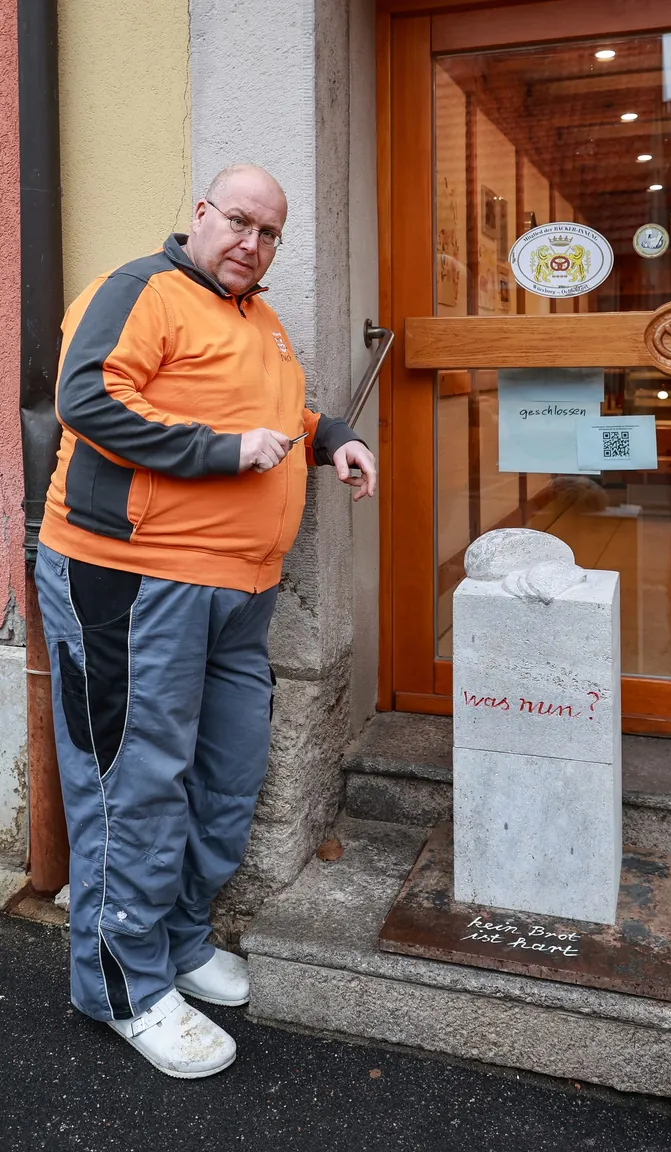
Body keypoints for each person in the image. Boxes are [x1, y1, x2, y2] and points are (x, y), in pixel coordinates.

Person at [35, 164, 377, 1079]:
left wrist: (331, 435)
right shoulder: (137, 290)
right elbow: (89, 399)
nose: (252, 245)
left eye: (270, 235)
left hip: (240, 592)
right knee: (133, 787)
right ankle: (122, 984)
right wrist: (221, 452)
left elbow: (280, 417)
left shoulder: (256, 318)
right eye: (239, 223)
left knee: (227, 779)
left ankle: (178, 941)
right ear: (199, 213)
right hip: (133, 580)